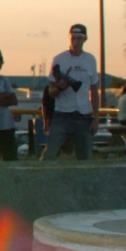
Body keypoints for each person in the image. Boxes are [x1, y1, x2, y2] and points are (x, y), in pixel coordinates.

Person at [43, 24, 98, 160]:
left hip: (84, 116)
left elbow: (94, 90)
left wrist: (96, 117)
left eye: (79, 38)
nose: (76, 41)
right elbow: (51, 92)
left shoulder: (90, 60)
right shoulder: (59, 59)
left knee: (84, 156)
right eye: (73, 38)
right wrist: (59, 88)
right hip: (62, 114)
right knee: (50, 154)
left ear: (84, 40)